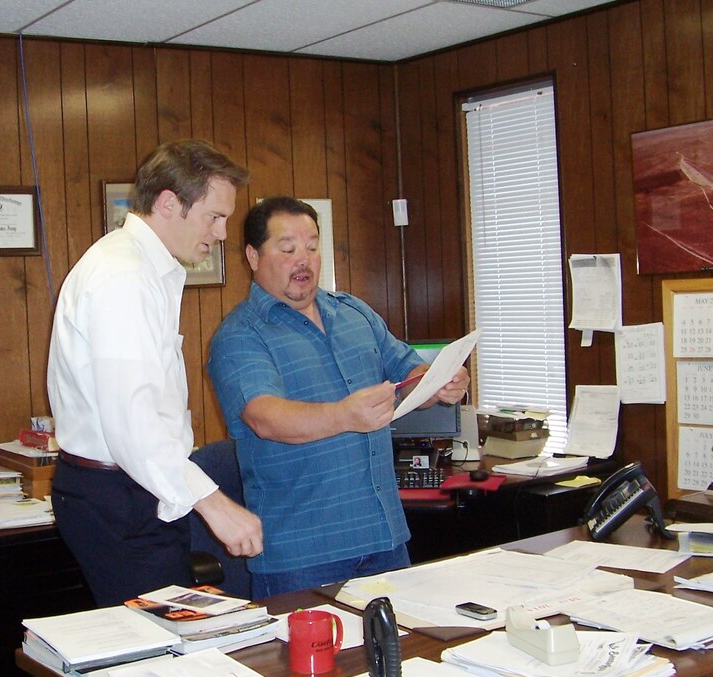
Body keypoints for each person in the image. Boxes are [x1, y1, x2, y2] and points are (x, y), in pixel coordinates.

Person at [207, 196, 470, 598]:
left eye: (312, 247)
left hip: (384, 538)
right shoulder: (240, 335)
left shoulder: (354, 314)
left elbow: (410, 371)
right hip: (302, 555)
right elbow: (265, 417)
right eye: (288, 248)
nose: (304, 260)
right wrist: (345, 416)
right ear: (253, 256)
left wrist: (442, 383)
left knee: (400, 656)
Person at [47, 139, 263, 609]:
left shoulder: (146, 269)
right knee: (156, 651)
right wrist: (213, 503)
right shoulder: (124, 277)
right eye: (214, 217)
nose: (223, 233)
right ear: (169, 203)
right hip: (117, 494)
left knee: (163, 640)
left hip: (133, 487)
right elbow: (133, 422)